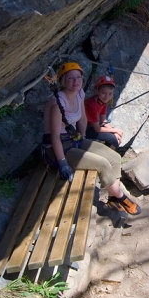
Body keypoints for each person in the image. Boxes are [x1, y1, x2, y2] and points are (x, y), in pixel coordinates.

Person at [42, 62, 141, 215]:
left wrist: (84, 140)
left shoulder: (79, 93)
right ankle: (122, 199)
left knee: (114, 157)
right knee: (102, 164)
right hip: (57, 149)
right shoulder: (57, 103)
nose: (75, 81)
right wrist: (63, 164)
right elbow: (54, 136)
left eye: (78, 77)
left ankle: (113, 200)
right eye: (70, 78)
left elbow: (82, 119)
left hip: (73, 139)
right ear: (62, 81)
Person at [84, 75, 123, 150]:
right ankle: (110, 156)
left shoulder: (102, 101)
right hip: (85, 129)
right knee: (113, 139)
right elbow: (97, 129)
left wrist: (115, 132)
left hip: (91, 126)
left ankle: (107, 151)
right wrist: (115, 131)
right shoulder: (92, 105)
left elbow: (103, 120)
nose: (107, 96)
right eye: (103, 93)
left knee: (116, 135)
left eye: (110, 93)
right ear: (96, 91)